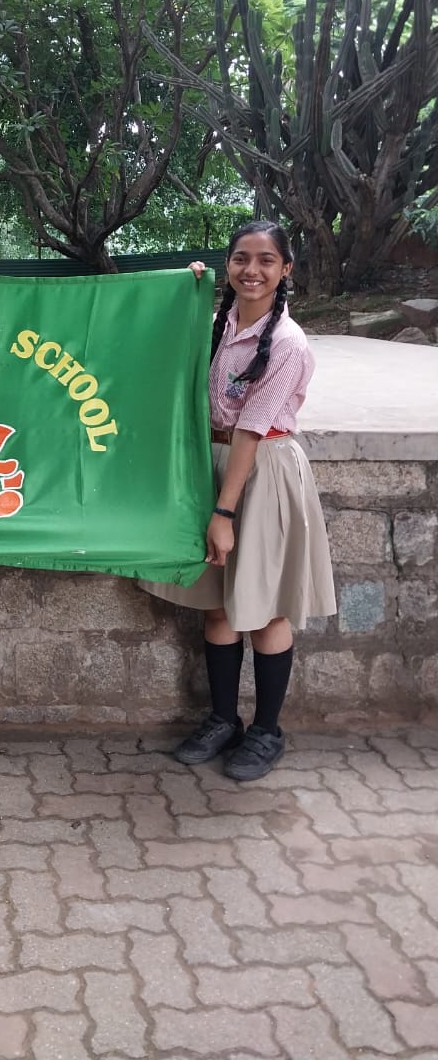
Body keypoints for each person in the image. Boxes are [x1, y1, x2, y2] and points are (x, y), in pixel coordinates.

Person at [142, 221, 336, 781]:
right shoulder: (221, 324)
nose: (252, 270)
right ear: (227, 266)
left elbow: (251, 430)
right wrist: (185, 289)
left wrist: (223, 513)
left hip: (263, 471)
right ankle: (223, 719)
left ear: (286, 269)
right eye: (240, 259)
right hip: (212, 463)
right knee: (218, 603)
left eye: (266, 260)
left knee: (265, 607)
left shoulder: (288, 343)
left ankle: (267, 731)